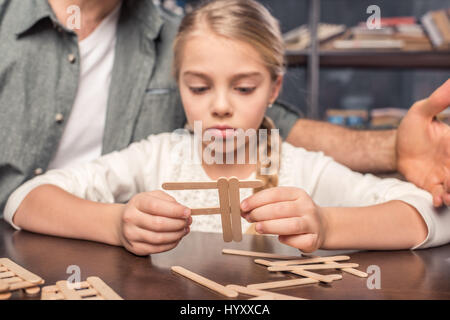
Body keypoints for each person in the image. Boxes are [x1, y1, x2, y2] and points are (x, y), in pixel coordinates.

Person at [4, 0, 449, 256]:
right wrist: (117, 222)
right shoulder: (157, 155)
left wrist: (329, 226)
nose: (219, 107)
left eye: (243, 88)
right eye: (198, 88)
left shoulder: (298, 167)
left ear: (274, 88)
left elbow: (434, 216)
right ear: (176, 83)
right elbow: (23, 198)